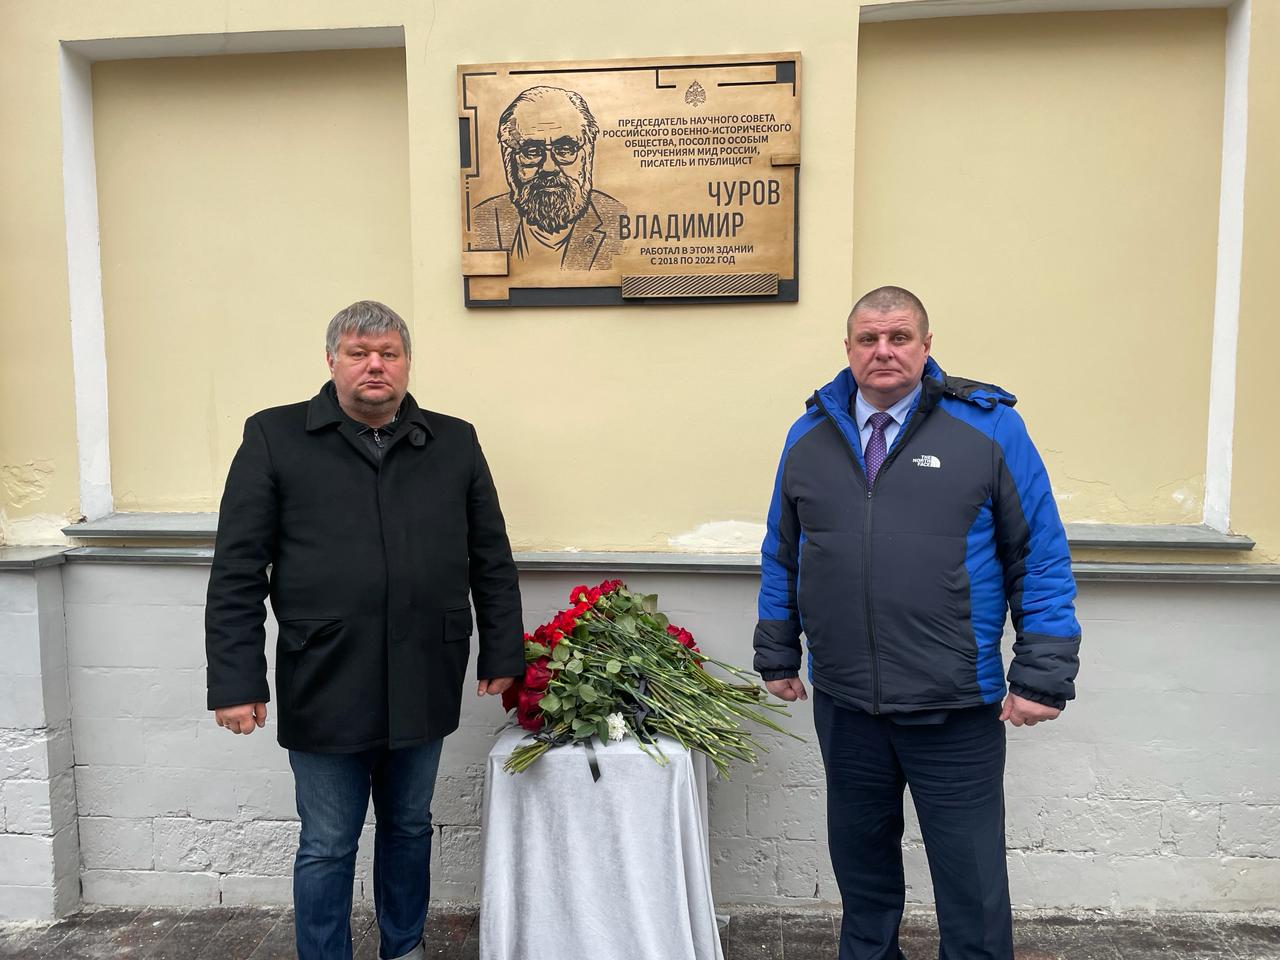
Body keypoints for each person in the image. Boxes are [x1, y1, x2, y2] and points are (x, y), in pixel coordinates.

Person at [753, 286, 1081, 960]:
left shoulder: (990, 428)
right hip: (847, 702)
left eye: (899, 337)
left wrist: (1042, 673)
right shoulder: (809, 434)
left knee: (972, 885)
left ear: (926, 346)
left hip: (953, 704)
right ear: (848, 349)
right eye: (869, 339)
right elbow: (783, 550)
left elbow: (1038, 553)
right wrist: (778, 650)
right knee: (863, 878)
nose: (884, 351)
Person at [205, 300, 524, 960]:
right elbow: (238, 570)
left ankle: (403, 948)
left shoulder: (454, 441)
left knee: (409, 826)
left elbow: (490, 557)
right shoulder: (274, 436)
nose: (375, 365)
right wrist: (236, 681)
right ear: (332, 361)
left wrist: (502, 650)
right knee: (327, 842)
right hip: (325, 675)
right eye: (358, 353)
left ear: (407, 363)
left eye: (389, 353)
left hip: (423, 672)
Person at [471, 85, 625, 271]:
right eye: (532, 151)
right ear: (508, 159)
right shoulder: (480, 222)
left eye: (565, 149)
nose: (549, 167)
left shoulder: (619, 221)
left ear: (588, 155)